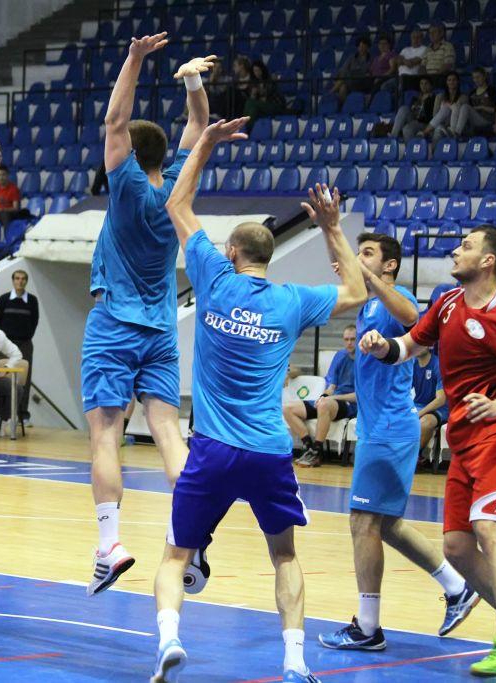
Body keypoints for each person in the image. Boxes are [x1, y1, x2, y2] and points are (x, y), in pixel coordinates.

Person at [157, 113, 367, 681]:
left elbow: (177, 203)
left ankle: (169, 639)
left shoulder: (214, 277)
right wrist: (331, 228)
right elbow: (355, 290)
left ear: (230, 251)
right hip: (269, 451)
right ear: (268, 258)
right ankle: (295, 662)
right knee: (285, 556)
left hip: (213, 448)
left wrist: (204, 141)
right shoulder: (291, 300)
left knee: (176, 555)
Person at [360, 225, 496, 676]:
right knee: (456, 547)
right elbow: (407, 346)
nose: (456, 251)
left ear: (488, 261)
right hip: (464, 441)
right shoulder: (449, 303)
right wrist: (382, 347)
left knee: (488, 527)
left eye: (467, 246)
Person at [80, 33, 214, 597]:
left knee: (106, 434)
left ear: (130, 154)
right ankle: (193, 538)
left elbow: (116, 119)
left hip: (115, 324)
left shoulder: (128, 185)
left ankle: (109, 544)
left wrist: (134, 58)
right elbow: (199, 126)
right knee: (167, 431)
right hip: (161, 328)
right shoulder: (178, 186)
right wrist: (192, 81)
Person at [318, 232, 477, 652]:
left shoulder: (397, 295)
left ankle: (368, 628)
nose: (360, 258)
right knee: (386, 525)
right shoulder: (369, 304)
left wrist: (366, 275)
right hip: (381, 429)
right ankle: (457, 586)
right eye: (359, 253)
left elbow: (412, 318)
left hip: (389, 430)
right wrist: (335, 242)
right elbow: (348, 279)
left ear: (389, 265)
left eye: (368, 254)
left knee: (362, 523)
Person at [282, 325, 357, 468]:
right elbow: (332, 387)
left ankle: (317, 452)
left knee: (324, 405)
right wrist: (323, 396)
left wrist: (332, 399)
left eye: (353, 339)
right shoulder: (340, 356)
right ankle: (309, 447)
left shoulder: (365, 360)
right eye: (346, 339)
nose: (349, 343)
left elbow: (359, 397)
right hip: (332, 401)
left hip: (350, 405)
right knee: (288, 409)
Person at [0, 269, 39, 420]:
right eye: (17, 278)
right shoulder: (4, 299)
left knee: (23, 379)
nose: (20, 281)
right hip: (6, 345)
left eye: (23, 279)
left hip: (25, 343)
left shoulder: (32, 301)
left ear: (26, 281)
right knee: (2, 377)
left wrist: (25, 336)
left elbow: (34, 322)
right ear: (13, 280)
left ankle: (21, 415)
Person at [413, 347, 448, 460]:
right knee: (394, 419)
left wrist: (419, 414)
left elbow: (441, 400)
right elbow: (403, 390)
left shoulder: (438, 365)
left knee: (425, 423)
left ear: (430, 345)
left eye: (421, 342)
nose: (418, 346)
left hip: (441, 408)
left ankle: (414, 457)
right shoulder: (412, 364)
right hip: (418, 405)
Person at [453, 67, 496, 137]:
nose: (476, 80)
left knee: (465, 107)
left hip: (487, 120)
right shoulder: (472, 93)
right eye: (474, 78)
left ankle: (456, 133)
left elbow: (495, 110)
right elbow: (467, 110)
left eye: (478, 77)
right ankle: (453, 130)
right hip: (474, 118)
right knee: (459, 106)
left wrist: (481, 107)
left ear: (484, 77)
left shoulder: (492, 91)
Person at [424, 71, 467, 141]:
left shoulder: (463, 97)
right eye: (449, 80)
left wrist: (447, 105)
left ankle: (425, 132)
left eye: (454, 80)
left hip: (457, 126)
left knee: (446, 108)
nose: (451, 82)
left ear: (458, 82)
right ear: (446, 82)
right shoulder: (440, 97)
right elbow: (435, 115)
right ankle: (434, 148)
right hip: (442, 123)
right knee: (439, 128)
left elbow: (459, 111)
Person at [390, 76, 436, 140]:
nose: (423, 86)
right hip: (414, 119)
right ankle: (393, 136)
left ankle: (410, 146)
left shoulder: (434, 98)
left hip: (425, 123)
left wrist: (426, 101)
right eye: (421, 83)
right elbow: (410, 111)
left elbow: (431, 115)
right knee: (403, 108)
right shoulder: (416, 98)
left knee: (407, 128)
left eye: (426, 83)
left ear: (431, 85)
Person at [331, 37, 373, 102]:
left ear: (367, 47)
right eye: (359, 46)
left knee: (345, 78)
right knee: (343, 87)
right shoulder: (352, 57)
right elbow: (344, 69)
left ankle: (331, 92)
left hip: (362, 83)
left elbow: (368, 73)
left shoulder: (371, 59)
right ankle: (344, 106)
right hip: (350, 81)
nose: (361, 48)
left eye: (363, 46)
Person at [422, 24, 456, 88]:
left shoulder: (448, 46)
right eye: (430, 33)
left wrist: (434, 77)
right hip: (429, 79)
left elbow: (447, 65)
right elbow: (422, 66)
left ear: (441, 33)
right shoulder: (427, 48)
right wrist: (425, 78)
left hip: (442, 78)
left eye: (434, 32)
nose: (431, 35)